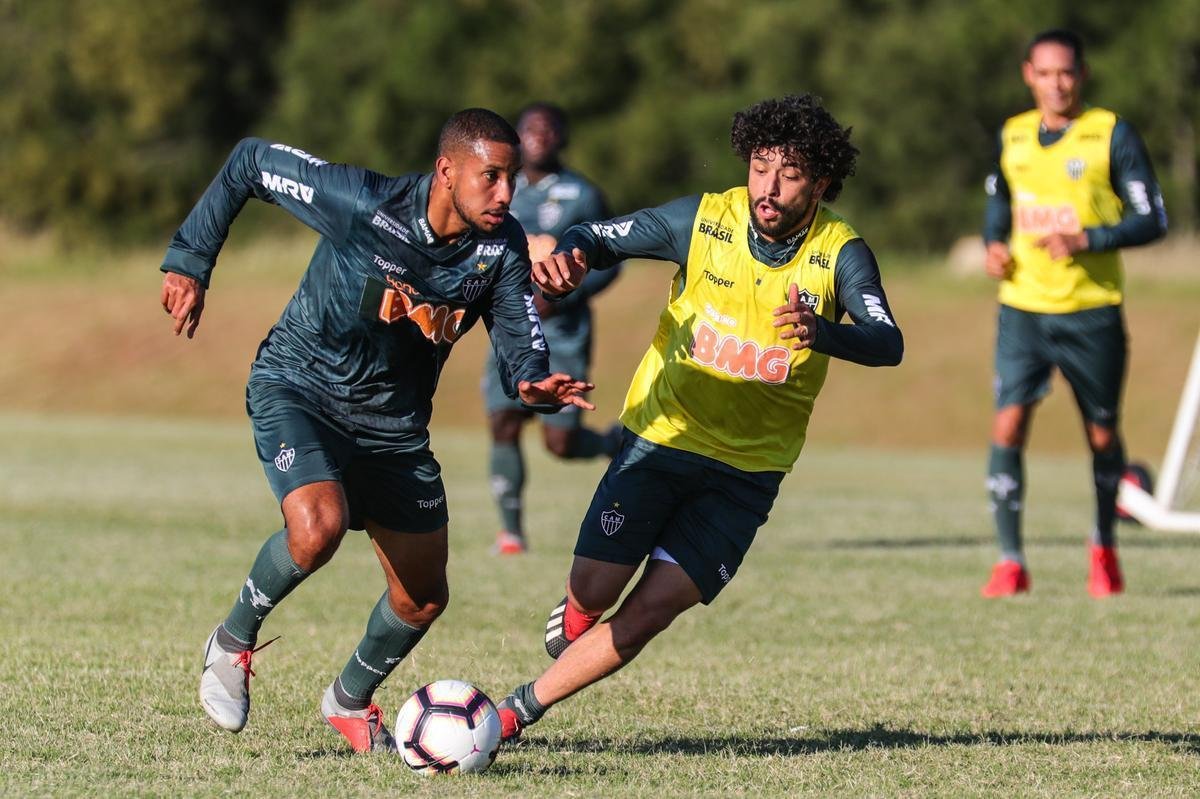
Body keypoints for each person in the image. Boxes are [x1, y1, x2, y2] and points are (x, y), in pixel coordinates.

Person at [159, 109, 594, 753]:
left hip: (394, 429)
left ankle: (347, 700)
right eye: (491, 177)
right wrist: (190, 261)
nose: (507, 193)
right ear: (447, 172)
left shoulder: (499, 251)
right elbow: (250, 159)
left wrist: (534, 383)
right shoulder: (362, 201)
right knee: (317, 528)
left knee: (422, 598)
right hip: (301, 388)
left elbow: (518, 345)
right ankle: (230, 642)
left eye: (511, 179)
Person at [491, 94, 904, 741]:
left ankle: (515, 711)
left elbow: (888, 341)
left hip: (747, 472)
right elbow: (600, 237)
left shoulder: (840, 252)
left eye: (789, 173)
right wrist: (571, 252)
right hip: (663, 435)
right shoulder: (704, 219)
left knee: (652, 609)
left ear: (820, 183)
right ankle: (578, 609)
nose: (768, 187)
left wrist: (825, 332)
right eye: (760, 166)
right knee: (595, 586)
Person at [979, 29, 1168, 598]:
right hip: (1024, 311)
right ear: (1028, 76)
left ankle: (1104, 548)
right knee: (1007, 424)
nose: (1056, 83)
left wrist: (1088, 238)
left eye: (1066, 73)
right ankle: (1011, 562)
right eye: (1045, 73)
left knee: (1103, 434)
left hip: (1092, 313)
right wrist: (993, 245)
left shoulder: (1111, 134)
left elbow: (1153, 219)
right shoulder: (1012, 135)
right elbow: (998, 205)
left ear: (1081, 76)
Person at [484, 102, 623, 555]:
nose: (539, 135)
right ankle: (511, 534)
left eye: (548, 129)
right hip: (509, 327)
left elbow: (609, 263)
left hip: (563, 333)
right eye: (529, 129)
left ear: (561, 137)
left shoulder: (582, 194)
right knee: (503, 421)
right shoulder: (503, 190)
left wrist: (567, 293)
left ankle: (607, 443)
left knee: (558, 442)